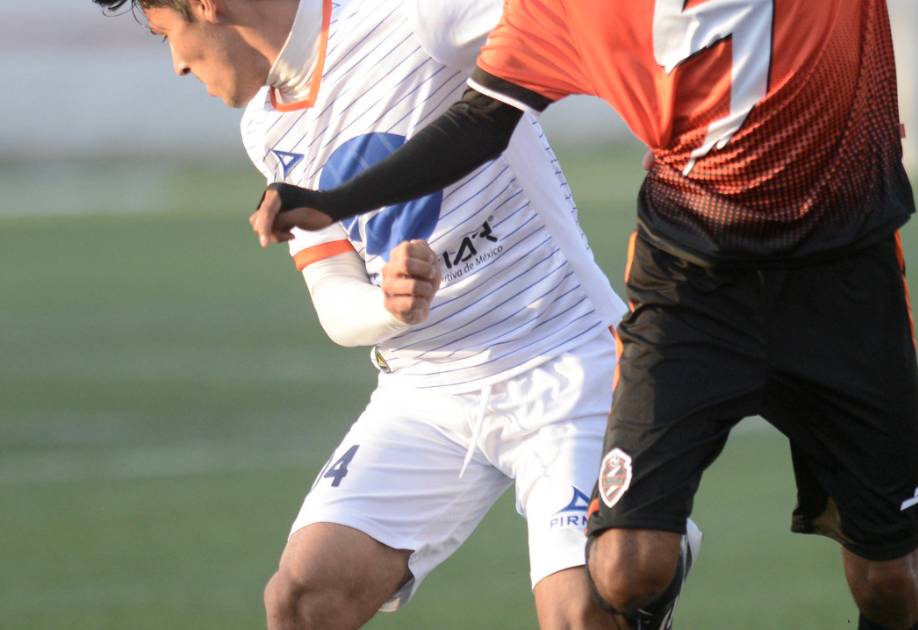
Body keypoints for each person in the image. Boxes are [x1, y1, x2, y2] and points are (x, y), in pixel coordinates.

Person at [250, 0, 918, 628]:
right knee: (623, 568)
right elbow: (481, 122)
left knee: (890, 586)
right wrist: (335, 204)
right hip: (691, 284)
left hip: (844, 284)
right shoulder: (565, 7)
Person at [93, 0, 705, 628]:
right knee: (301, 599)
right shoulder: (266, 129)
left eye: (167, 34)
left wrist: (678, 111)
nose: (177, 64)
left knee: (582, 613)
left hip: (566, 360)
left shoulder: (412, 16)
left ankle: (649, 561)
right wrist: (387, 307)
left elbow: (575, 16)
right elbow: (334, 294)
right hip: (426, 393)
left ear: (206, 4)